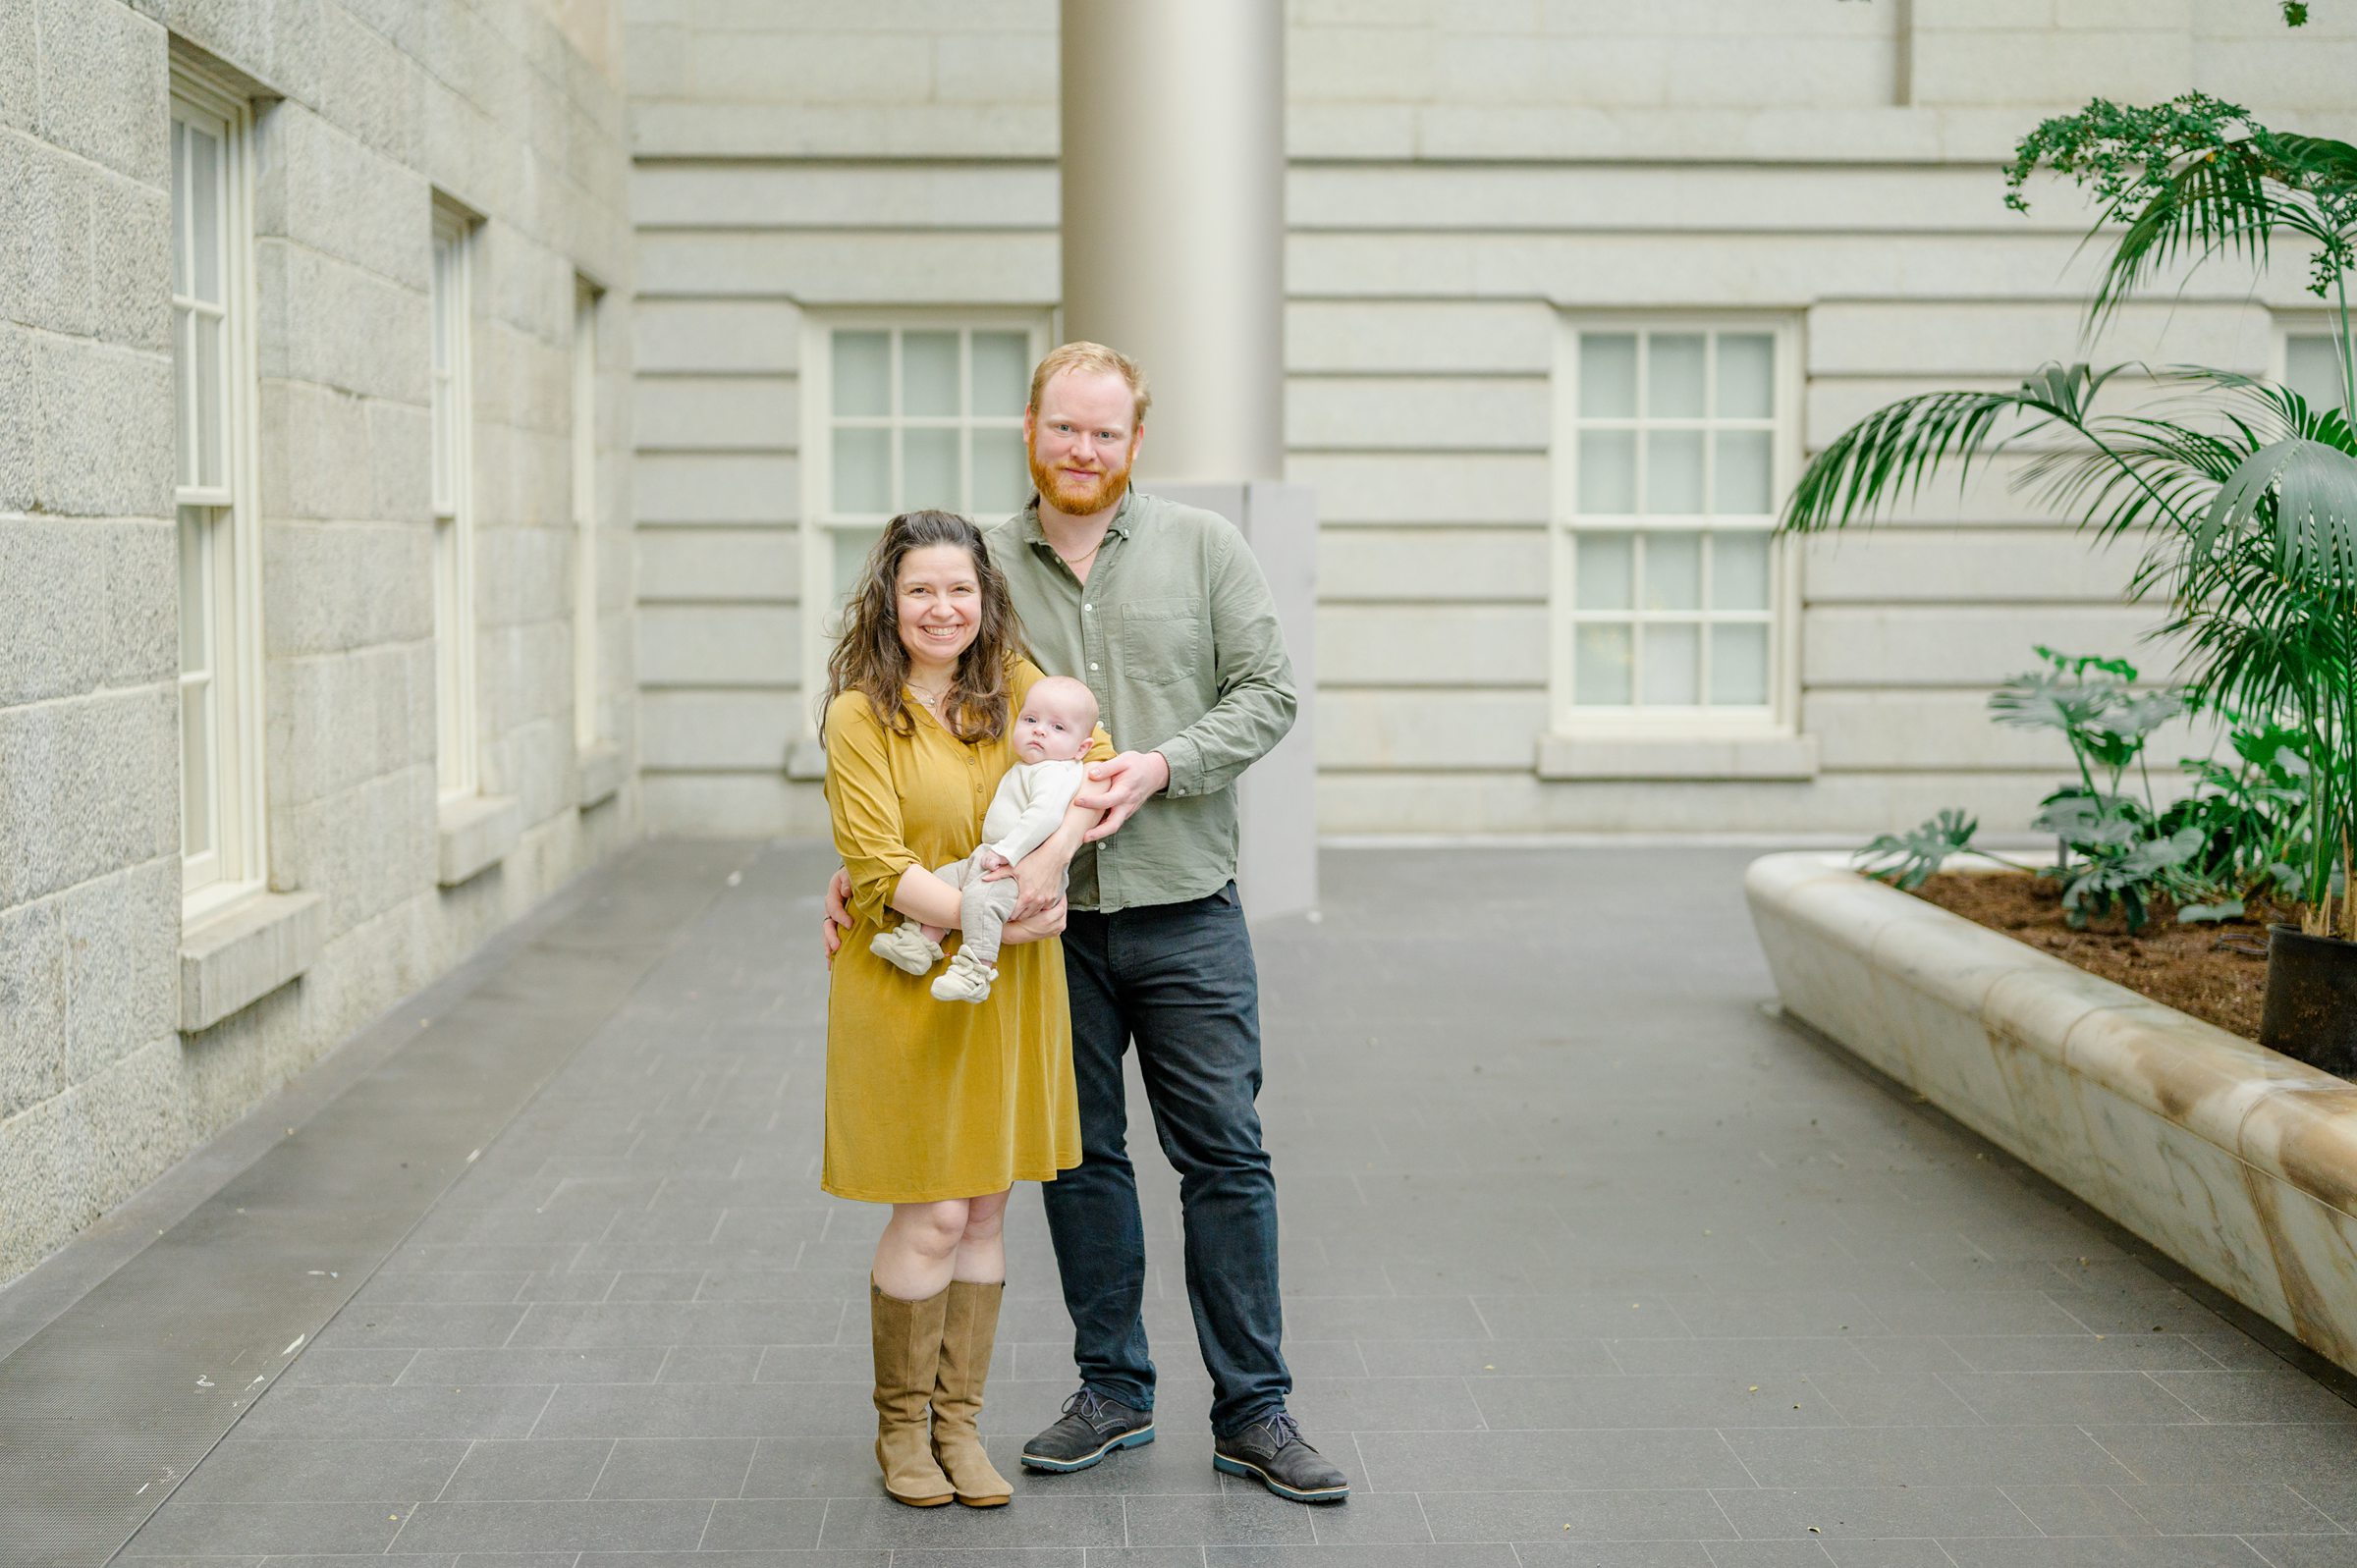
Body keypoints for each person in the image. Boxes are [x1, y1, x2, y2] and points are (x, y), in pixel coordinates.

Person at [826, 343, 1349, 1505]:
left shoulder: (1204, 549)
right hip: (1037, 936)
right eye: (1064, 428)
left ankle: (1255, 1408)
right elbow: (914, 732)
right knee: (1075, 1163)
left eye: (1104, 433)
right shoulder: (977, 566)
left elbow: (1269, 694)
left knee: (1224, 1152)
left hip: (1182, 903)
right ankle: (1112, 1388)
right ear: (1031, 428)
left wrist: (1162, 764)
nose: (1082, 450)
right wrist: (870, 871)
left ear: (1134, 441)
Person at [819, 510, 1113, 1510]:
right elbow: (876, 864)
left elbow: (1095, 763)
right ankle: (902, 1433)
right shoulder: (861, 713)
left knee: (986, 1206)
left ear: (983, 597)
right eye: (919, 591)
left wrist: (1046, 864)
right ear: (888, 602)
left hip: (1001, 992)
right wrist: (999, 926)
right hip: (909, 982)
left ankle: (961, 1427)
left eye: (960, 589)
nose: (942, 608)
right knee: (936, 1210)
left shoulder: (1016, 687)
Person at [868, 675, 1102, 1003]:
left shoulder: (1056, 772)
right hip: (992, 854)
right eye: (1031, 720)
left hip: (1023, 867)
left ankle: (976, 970)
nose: (1039, 730)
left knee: (982, 899)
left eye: (1057, 728)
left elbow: (1044, 817)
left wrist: (1008, 852)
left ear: (1082, 748)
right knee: (942, 880)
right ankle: (922, 943)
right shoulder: (1032, 766)